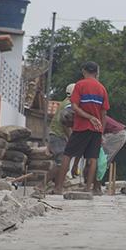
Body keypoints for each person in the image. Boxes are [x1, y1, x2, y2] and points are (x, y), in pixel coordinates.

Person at [53, 62, 109, 194]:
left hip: (81, 127)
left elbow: (74, 106)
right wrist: (101, 131)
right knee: (93, 158)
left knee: (67, 155)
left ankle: (58, 187)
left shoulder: (80, 85)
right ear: (96, 72)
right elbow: (104, 114)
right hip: (96, 129)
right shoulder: (102, 89)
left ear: (84, 71)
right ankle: (88, 188)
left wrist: (88, 117)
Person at [96, 114, 126, 192]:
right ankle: (96, 183)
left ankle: (96, 185)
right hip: (118, 133)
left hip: (117, 134)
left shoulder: (96, 117)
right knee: (103, 160)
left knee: (102, 160)